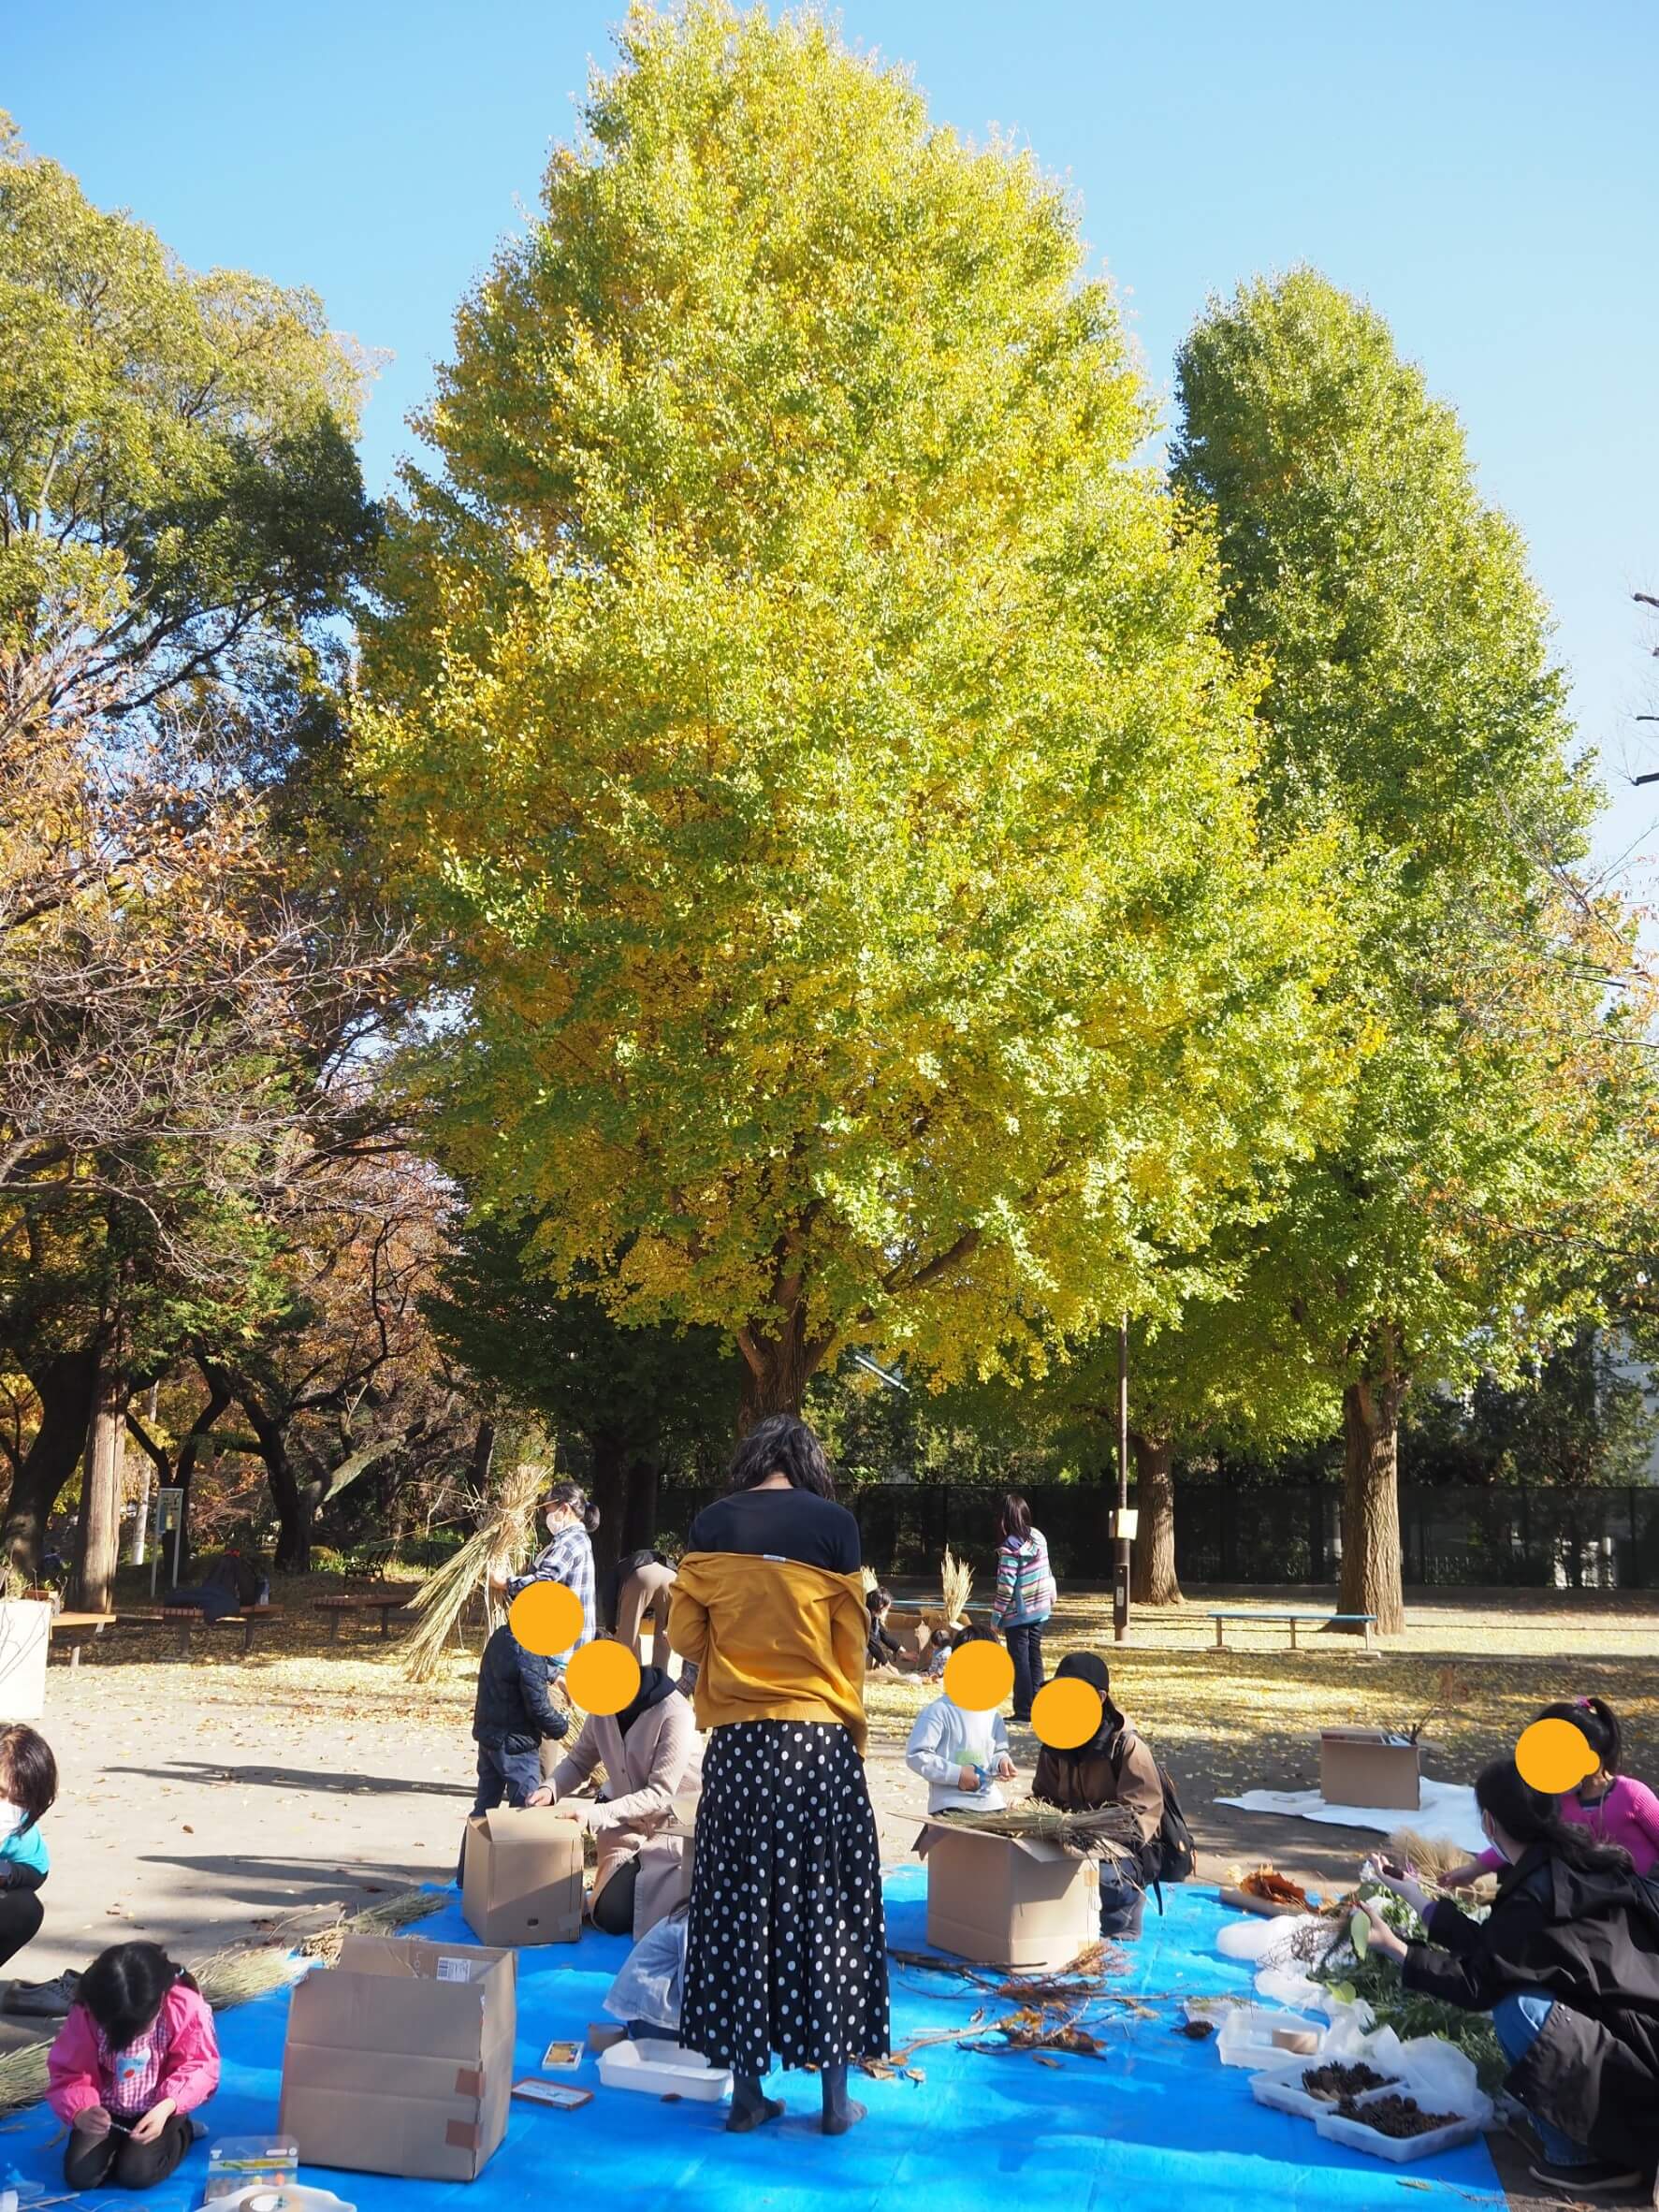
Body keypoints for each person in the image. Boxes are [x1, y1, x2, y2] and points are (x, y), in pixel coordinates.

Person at [668, 1413, 887, 2138]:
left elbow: (681, 1636)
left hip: (736, 1749)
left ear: (752, 1460)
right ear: (808, 1463)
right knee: (828, 1907)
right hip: (816, 1745)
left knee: (736, 1907)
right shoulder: (835, 1527)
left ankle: (744, 2097)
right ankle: (833, 2103)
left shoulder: (711, 1524)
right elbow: (850, 1645)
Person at [1361, 1756, 1659, 2199]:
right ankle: (1603, 2134)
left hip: (1641, 2065)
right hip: (1639, 2038)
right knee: (1520, 1992)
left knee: (1516, 2008)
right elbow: (1501, 1951)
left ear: (1488, 1821)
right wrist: (1418, 1899)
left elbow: (1480, 1983)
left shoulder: (1539, 1893)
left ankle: (1588, 2156)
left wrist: (1395, 1948)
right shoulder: (1572, 1861)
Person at [547, 1652, 704, 1938]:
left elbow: (659, 1794)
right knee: (609, 1915)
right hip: (628, 1827)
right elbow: (580, 1760)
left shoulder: (674, 1713)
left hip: (675, 1830)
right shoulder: (604, 1708)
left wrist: (593, 1815)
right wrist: (550, 1788)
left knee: (645, 1915)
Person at [48, 1942, 220, 2190]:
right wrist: (81, 2111)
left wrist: (167, 2108)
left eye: (139, 2029)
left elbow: (199, 2064)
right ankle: (119, 2143)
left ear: (160, 2000)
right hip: (107, 2107)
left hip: (161, 2105)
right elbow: (70, 2071)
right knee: (81, 2176)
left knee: (136, 2174)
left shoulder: (183, 2004)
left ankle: (184, 2130)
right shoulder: (89, 2010)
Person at [1442, 1698, 1659, 1889]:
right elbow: (1522, 1840)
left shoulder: (1633, 1794)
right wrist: (1473, 1870)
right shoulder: (1557, 1804)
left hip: (1645, 1904)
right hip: (1596, 1905)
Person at [1031, 1652, 1163, 1936]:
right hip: (1068, 1842)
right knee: (1021, 1866)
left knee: (1101, 1882)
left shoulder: (1126, 1746)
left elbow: (1139, 1820)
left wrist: (1086, 1830)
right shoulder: (1056, 1741)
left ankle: (1129, 1906)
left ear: (1100, 1698)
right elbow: (1043, 1797)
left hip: (1117, 1850)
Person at [460, 1617, 571, 1883]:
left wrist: (554, 1676)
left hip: (489, 1738)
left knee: (483, 1809)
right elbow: (539, 1709)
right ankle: (523, 1886)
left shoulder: (502, 1636)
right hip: (516, 1745)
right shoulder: (529, 1651)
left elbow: (522, 1667)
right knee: (527, 1813)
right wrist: (562, 1726)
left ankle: (467, 1877)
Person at [906, 1626, 1016, 1812]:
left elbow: (999, 1750)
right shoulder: (938, 1711)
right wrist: (957, 1774)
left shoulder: (992, 1714)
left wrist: (1001, 1761)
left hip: (990, 1801)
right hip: (952, 1804)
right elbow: (917, 1756)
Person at [493, 1482, 599, 1666]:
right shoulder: (577, 1539)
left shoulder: (568, 1543)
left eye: (549, 1511)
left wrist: (503, 1582)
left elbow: (541, 1583)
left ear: (564, 1509)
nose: (547, 1518)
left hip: (561, 1649)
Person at [990, 1492, 1055, 1724]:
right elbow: (1047, 1569)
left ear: (1004, 1519)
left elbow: (1006, 1587)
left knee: (1020, 1660)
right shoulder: (1038, 1537)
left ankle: (1024, 1710)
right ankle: (1038, 1705)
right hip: (1041, 1607)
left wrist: (995, 1617)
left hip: (1019, 1613)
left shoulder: (1009, 1549)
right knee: (1034, 1655)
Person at [0, 1724, 56, 1973]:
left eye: (19, 1800)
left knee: (24, 1909)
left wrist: (8, 1873)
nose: (7, 1807)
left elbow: (36, 1869)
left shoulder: (19, 1829)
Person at [613, 1549, 677, 1670]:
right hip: (672, 1577)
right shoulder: (628, 1564)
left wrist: (611, 1627)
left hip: (641, 1576)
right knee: (664, 1633)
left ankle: (634, 1674)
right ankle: (660, 1676)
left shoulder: (619, 1570)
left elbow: (608, 1599)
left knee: (629, 1630)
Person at [166, 1547, 262, 1623]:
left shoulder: (224, 1563)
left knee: (198, 1595)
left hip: (213, 1591)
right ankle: (176, 1597)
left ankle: (175, 1596)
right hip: (220, 1594)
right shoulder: (239, 1567)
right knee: (201, 1596)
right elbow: (247, 1594)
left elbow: (209, 1583)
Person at [866, 1587, 904, 1672]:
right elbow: (871, 1643)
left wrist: (901, 1651)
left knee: (878, 1632)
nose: (887, 1612)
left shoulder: (874, 1616)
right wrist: (888, 1666)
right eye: (887, 1609)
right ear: (881, 1606)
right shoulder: (864, 1615)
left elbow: (884, 1634)